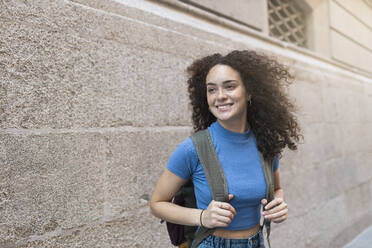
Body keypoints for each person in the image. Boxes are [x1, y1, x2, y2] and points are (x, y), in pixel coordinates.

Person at [150, 50, 302, 248]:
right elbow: (157, 204)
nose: (220, 96)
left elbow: (277, 188)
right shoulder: (193, 148)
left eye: (229, 86)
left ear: (249, 91)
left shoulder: (266, 143)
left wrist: (279, 204)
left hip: (257, 242)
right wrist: (202, 216)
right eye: (211, 90)